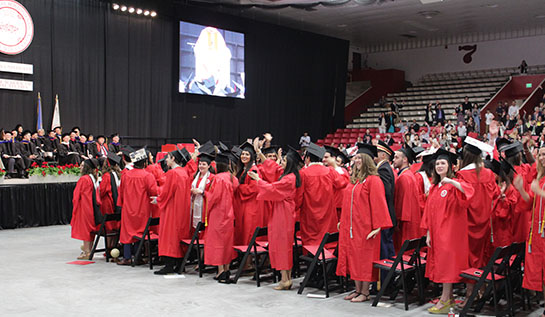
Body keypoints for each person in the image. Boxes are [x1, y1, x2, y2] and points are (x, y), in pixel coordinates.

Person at [336, 143, 393, 303]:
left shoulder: (374, 180)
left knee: (364, 259)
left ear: (367, 160)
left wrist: (378, 227)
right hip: (351, 227)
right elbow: (348, 202)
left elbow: (379, 204)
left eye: (360, 157)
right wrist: (343, 221)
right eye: (356, 157)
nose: (357, 160)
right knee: (353, 258)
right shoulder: (355, 180)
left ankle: (365, 292)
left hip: (366, 228)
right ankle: (357, 289)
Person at [421, 149, 474, 314]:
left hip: (450, 234)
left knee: (447, 266)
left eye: (443, 163)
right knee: (442, 265)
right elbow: (429, 213)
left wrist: (451, 182)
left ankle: (445, 300)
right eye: (437, 163)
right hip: (437, 234)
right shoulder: (435, 187)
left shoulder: (454, 184)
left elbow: (469, 192)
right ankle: (448, 297)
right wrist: (429, 233)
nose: (439, 166)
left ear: (450, 166)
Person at [249, 147, 302, 290]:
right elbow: (274, 168)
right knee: (284, 246)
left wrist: (258, 180)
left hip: (282, 214)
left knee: (282, 246)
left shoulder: (288, 179)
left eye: (284, 160)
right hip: (283, 212)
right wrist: (259, 153)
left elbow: (272, 189)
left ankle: (285, 280)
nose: (281, 162)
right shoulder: (290, 175)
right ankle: (287, 278)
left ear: (290, 163)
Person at [456, 137, 498, 305]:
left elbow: (460, 201)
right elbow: (494, 195)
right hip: (485, 221)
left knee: (470, 258)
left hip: (468, 222)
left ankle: (470, 294)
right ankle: (482, 289)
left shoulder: (462, 175)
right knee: (482, 255)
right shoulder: (488, 173)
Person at [298, 142, 346, 246]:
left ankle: (312, 260)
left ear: (308, 159)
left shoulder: (303, 173)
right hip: (327, 212)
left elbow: (298, 198)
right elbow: (342, 183)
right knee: (327, 239)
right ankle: (327, 259)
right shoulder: (329, 171)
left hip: (309, 214)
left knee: (311, 242)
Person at [117, 148, 158, 265]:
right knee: (141, 232)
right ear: (145, 163)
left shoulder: (126, 175)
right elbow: (153, 192)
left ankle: (127, 257)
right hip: (142, 209)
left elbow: (121, 191)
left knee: (127, 232)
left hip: (128, 208)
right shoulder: (148, 176)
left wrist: (121, 204)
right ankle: (138, 256)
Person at [234, 141, 266, 245]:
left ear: (252, 156)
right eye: (243, 154)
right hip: (245, 205)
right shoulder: (243, 169)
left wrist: (239, 187)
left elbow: (254, 189)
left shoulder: (253, 170)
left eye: (247, 154)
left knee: (248, 232)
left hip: (251, 206)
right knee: (243, 231)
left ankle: (247, 260)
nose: (244, 156)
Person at [392, 146, 423, 252]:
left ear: (405, 159)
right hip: (411, 218)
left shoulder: (404, 177)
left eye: (396, 157)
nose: (393, 160)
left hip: (405, 222)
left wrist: (398, 221)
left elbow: (402, 202)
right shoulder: (408, 175)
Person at [70, 158, 101, 260]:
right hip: (91, 206)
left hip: (84, 207)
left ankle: (87, 252)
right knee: (90, 230)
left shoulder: (84, 179)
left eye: (82, 166)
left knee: (85, 231)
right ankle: (89, 251)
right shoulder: (93, 177)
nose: (80, 167)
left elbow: (76, 195)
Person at [99, 153, 122, 251]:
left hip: (108, 203)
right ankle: (114, 247)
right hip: (117, 202)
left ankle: (109, 249)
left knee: (109, 227)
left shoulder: (107, 176)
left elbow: (102, 191)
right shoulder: (118, 174)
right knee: (114, 226)